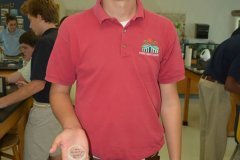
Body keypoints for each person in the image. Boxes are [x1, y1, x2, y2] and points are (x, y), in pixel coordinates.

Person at [46, 0, 185, 159]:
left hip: (147, 155)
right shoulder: (72, 27)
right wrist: (71, 127)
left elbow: (170, 101)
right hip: (92, 154)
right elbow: (59, 92)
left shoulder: (164, 29)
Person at [0, 0, 62, 160]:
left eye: (30, 19)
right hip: (59, 109)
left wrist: (3, 101)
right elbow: (49, 79)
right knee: (56, 154)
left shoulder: (44, 42)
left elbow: (37, 85)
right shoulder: (59, 37)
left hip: (44, 112)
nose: (29, 26)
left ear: (40, 16)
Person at [198, 26, 240, 160]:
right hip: (217, 88)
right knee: (216, 137)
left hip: (206, 83)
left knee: (207, 133)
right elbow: (230, 84)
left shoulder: (232, 41)